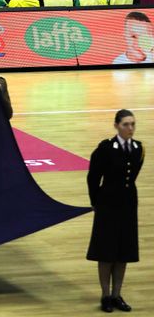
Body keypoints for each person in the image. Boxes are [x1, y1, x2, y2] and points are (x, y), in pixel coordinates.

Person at [86, 109, 142, 313]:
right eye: (126, 124)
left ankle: (117, 294)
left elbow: (132, 176)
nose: (130, 128)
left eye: (133, 124)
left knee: (123, 251)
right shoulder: (106, 148)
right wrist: (95, 201)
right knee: (106, 251)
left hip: (128, 205)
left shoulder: (138, 148)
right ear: (116, 125)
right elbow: (93, 177)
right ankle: (105, 295)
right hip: (108, 204)